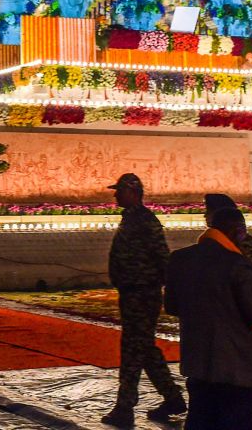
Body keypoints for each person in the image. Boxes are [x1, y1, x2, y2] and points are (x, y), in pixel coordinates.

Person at [166, 207, 252, 430]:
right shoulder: (236, 264)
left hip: (198, 362)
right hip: (234, 366)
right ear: (236, 231)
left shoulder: (180, 259)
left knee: (200, 419)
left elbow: (172, 306)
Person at [101, 173, 187, 428]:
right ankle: (172, 398)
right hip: (132, 293)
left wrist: (165, 288)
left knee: (132, 351)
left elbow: (163, 257)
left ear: (133, 192)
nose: (115, 195)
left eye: (120, 190)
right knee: (145, 350)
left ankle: (125, 406)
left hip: (142, 293)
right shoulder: (131, 219)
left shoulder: (145, 221)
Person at [204, 194, 252, 288]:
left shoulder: (240, 240)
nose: (204, 216)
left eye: (208, 211)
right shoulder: (212, 237)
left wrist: (250, 289)